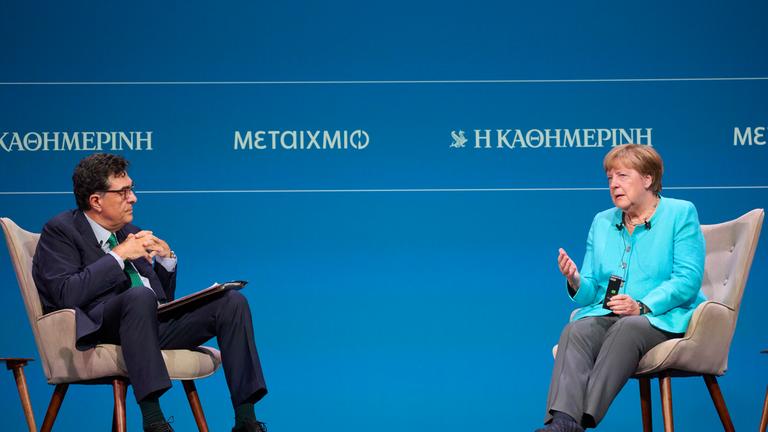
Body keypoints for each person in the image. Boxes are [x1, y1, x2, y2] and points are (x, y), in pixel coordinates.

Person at [32, 153, 269, 432]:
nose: (133, 198)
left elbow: (161, 300)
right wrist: (118, 256)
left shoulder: (129, 231)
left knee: (231, 302)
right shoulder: (61, 231)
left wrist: (166, 262)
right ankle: (154, 421)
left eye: (131, 189)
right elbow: (65, 293)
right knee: (139, 297)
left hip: (147, 324)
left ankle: (245, 420)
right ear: (96, 201)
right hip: (101, 327)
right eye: (123, 192)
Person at [537, 144, 706, 431]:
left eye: (623, 176)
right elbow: (592, 290)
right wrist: (575, 280)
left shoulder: (680, 213)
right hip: (609, 315)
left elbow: (687, 279)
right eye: (610, 178)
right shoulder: (602, 221)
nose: (614, 184)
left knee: (628, 327)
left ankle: (577, 422)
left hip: (661, 317)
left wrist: (641, 306)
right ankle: (563, 423)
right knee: (576, 330)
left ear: (648, 179)